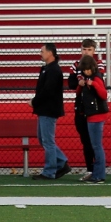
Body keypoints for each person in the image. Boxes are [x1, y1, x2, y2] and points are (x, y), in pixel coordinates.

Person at [31, 44, 69, 180]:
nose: (40, 54)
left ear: (50, 53)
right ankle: (61, 161)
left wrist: (35, 101)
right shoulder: (48, 69)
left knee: (48, 141)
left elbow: (47, 90)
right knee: (43, 139)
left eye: (42, 51)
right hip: (45, 109)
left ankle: (50, 171)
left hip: (49, 109)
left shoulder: (53, 70)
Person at [71, 39, 104, 179]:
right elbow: (71, 83)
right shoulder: (75, 65)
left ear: (94, 51)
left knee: (95, 143)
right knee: (85, 140)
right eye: (84, 49)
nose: (86, 52)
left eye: (89, 49)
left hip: (94, 109)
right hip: (81, 108)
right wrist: (78, 82)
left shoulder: (98, 64)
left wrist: (86, 81)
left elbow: (99, 80)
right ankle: (90, 170)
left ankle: (98, 171)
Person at [74, 55, 109, 184]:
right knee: (95, 146)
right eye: (84, 70)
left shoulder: (96, 78)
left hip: (96, 116)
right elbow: (78, 92)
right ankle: (97, 174)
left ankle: (99, 175)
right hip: (91, 115)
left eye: (88, 69)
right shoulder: (87, 78)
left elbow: (104, 94)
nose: (87, 72)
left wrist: (93, 84)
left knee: (97, 146)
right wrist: (81, 85)